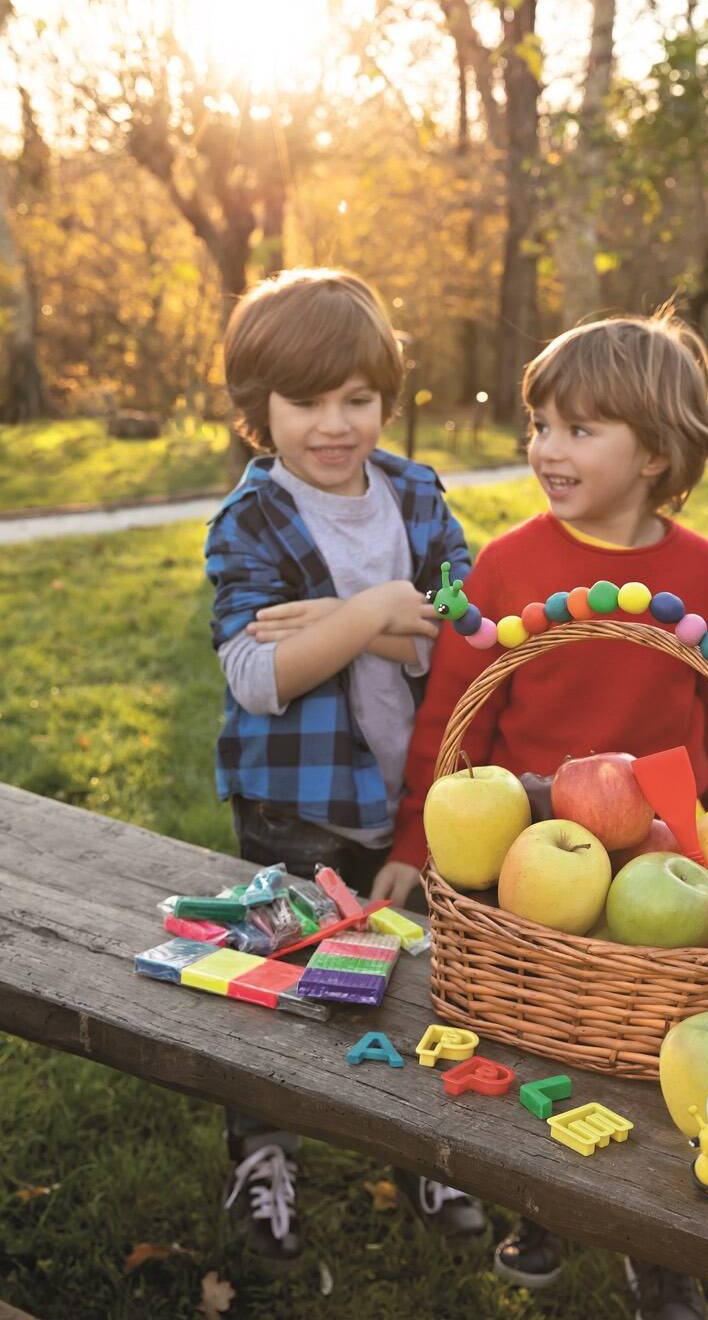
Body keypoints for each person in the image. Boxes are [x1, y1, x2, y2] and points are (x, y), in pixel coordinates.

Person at [378, 308, 708, 1320]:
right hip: (525, 834)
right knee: (543, 1033)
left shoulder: (704, 572)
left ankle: (659, 1242)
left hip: (659, 837)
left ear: (657, 452)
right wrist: (419, 839)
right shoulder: (509, 565)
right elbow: (455, 726)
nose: (545, 448)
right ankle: (541, 1200)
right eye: (539, 424)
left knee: (654, 1038)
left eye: (579, 428)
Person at [205, 268, 485, 1258]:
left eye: (357, 400)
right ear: (256, 412)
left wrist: (344, 621)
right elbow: (253, 674)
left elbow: (466, 629)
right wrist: (372, 614)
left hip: (416, 802)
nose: (335, 425)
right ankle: (265, 1147)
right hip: (299, 807)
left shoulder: (413, 494)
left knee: (413, 985)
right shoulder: (255, 520)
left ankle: (419, 1147)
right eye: (307, 403)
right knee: (291, 981)